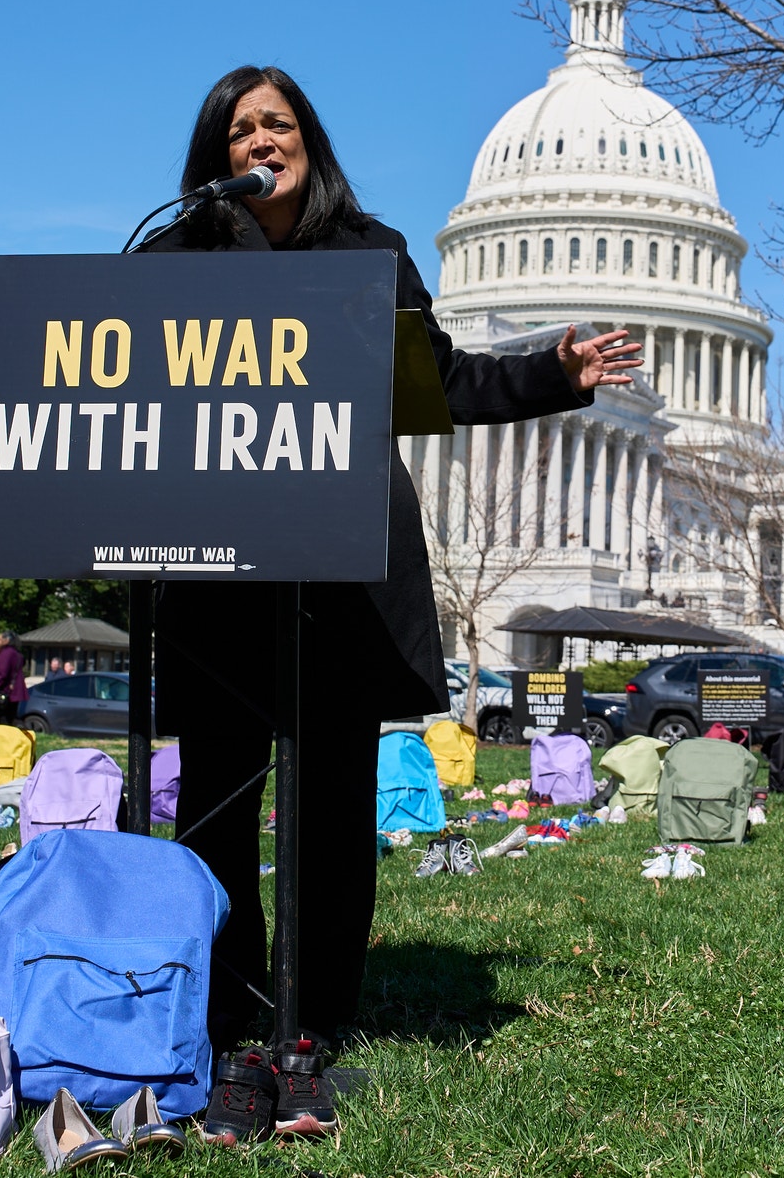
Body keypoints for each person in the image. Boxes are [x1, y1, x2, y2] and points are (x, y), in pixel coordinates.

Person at [145, 66, 640, 1140]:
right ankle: (227, 1013)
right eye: (239, 129)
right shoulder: (173, 259)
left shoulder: (370, 253)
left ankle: (314, 1020)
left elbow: (441, 381)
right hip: (216, 569)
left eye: (278, 124)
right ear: (216, 154)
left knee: (331, 806)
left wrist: (552, 373)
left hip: (340, 572)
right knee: (216, 800)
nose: (259, 142)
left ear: (309, 141)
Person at [0, 632, 27, 725]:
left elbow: (1, 673)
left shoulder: (6, 654)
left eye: (0, 639)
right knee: (11, 718)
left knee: (1, 720)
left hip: (4, 692)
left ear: (7, 640)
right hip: (14, 692)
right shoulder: (17, 654)